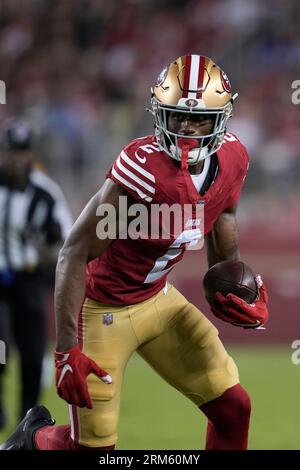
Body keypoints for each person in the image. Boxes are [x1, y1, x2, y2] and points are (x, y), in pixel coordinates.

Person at [1, 55, 269, 450]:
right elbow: (73, 252)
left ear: (222, 119)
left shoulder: (233, 158)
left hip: (159, 300)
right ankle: (34, 439)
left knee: (235, 410)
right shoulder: (143, 170)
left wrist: (228, 285)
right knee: (93, 450)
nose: (187, 129)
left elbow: (224, 212)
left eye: (198, 119)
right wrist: (66, 350)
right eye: (177, 117)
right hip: (105, 310)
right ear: (160, 114)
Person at [0, 118, 73, 429]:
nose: (17, 158)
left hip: (30, 279)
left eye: (23, 152)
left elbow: (68, 239)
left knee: (31, 355)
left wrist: (46, 256)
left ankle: (25, 420)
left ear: (31, 154)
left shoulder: (46, 192)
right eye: (12, 151)